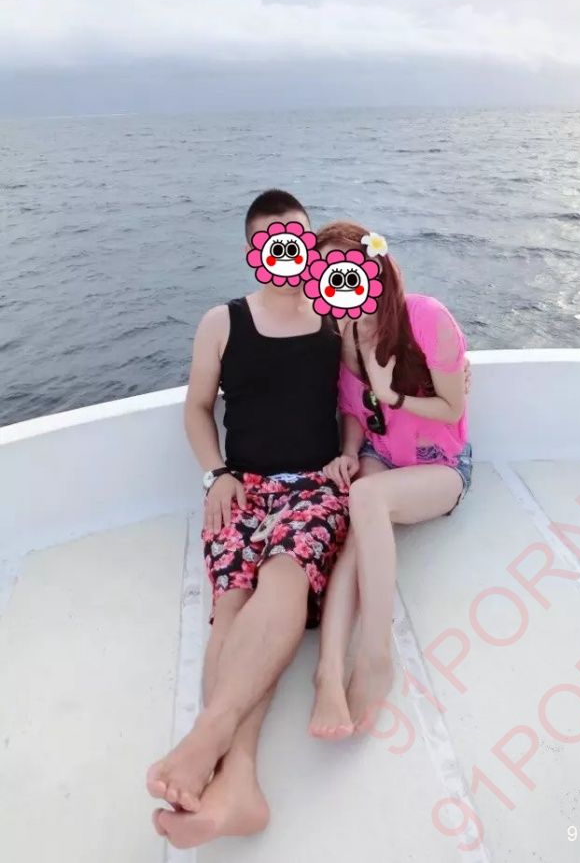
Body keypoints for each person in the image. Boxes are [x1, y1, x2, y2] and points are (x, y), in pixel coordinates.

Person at [148, 190, 350, 849]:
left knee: (285, 574)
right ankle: (239, 783)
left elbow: (359, 401)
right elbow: (197, 407)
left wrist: (349, 455)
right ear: (253, 252)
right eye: (274, 239)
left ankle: (210, 739)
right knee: (232, 600)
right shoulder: (222, 322)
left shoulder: (334, 317)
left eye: (299, 238)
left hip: (314, 487)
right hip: (241, 487)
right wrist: (217, 474)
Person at [308, 221, 472, 738]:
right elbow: (354, 412)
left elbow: (452, 408)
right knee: (354, 537)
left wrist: (392, 394)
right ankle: (328, 670)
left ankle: (375, 656)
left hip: (441, 466)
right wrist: (348, 452)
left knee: (367, 497)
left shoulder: (425, 318)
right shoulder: (341, 338)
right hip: (380, 454)